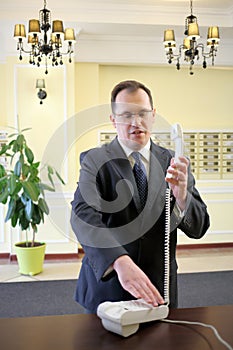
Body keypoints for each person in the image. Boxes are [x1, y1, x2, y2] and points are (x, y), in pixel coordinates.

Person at [70, 80, 210, 313]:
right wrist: (119, 260)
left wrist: (182, 196)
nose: (136, 123)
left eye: (143, 114)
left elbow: (199, 227)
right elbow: (83, 216)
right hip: (109, 287)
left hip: (159, 286)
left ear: (153, 115)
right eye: (126, 115)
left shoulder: (174, 162)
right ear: (113, 120)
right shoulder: (95, 160)